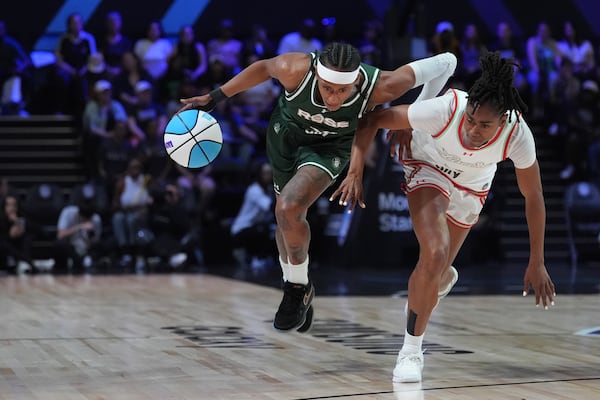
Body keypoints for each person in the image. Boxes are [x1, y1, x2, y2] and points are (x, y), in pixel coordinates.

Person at [179, 41, 457, 332]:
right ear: (316, 75)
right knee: (284, 216)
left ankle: (296, 289)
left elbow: (447, 61)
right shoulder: (294, 68)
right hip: (285, 139)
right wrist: (215, 96)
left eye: (342, 91)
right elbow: (262, 68)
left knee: (289, 206)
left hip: (330, 148)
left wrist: (412, 118)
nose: (333, 98)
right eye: (327, 88)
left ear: (356, 81)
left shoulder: (383, 85)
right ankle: (299, 286)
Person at [329, 51, 556, 383]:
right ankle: (410, 352)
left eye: (485, 125)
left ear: (504, 120)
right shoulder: (447, 108)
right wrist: (356, 171)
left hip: (473, 185)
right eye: (472, 120)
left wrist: (537, 260)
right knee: (433, 254)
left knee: (437, 269)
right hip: (428, 165)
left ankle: (437, 279)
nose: (475, 130)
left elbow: (533, 197)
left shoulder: (518, 135)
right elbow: (372, 120)